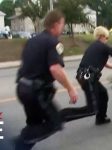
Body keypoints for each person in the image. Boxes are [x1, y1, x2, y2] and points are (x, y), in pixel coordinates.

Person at [15, 10, 78, 150]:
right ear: (56, 24)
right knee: (55, 123)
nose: (63, 28)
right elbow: (55, 69)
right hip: (36, 93)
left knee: (34, 126)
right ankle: (17, 142)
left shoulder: (32, 40)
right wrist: (70, 88)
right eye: (63, 24)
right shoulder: (53, 42)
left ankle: (20, 145)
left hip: (22, 88)